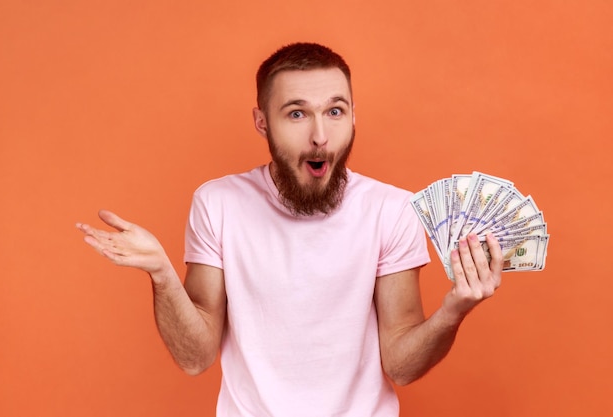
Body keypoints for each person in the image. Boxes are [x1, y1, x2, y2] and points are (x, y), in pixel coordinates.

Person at [76, 42, 502, 417]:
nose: (320, 136)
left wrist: (453, 310)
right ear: (262, 122)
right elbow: (195, 358)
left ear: (354, 117)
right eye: (296, 113)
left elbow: (401, 366)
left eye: (335, 111)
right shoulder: (218, 203)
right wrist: (162, 274)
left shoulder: (391, 210)